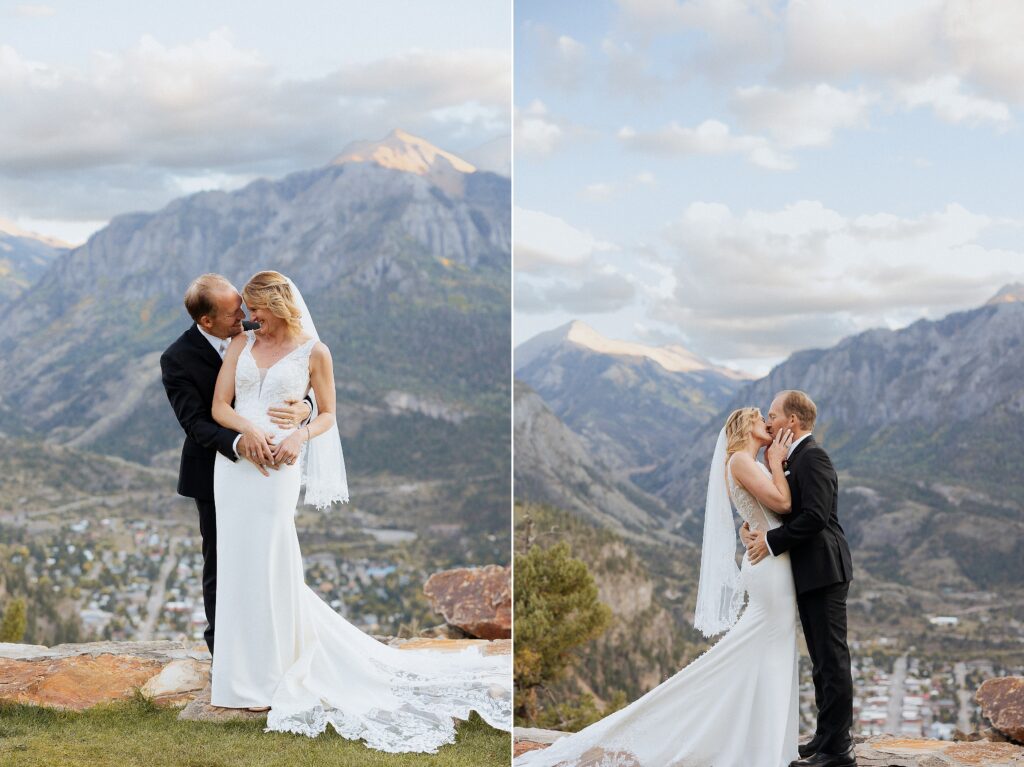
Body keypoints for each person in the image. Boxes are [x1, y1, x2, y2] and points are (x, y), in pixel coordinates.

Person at [208, 270, 511, 752]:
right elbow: (220, 407)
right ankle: (235, 677)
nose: (249, 317)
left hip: (281, 465)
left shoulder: (315, 352)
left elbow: (329, 414)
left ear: (277, 305)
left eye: (256, 308)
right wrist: (249, 433)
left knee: (271, 557)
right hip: (237, 466)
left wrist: (298, 434)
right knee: (236, 562)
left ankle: (274, 670)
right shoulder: (240, 345)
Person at [514, 407, 800, 767]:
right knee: (762, 648)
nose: (768, 423)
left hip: (771, 561)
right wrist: (776, 462)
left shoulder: (747, 462)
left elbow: (762, 513)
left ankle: (759, 740)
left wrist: (759, 505)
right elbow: (784, 504)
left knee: (766, 650)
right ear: (746, 426)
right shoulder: (742, 461)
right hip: (770, 568)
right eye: (760, 417)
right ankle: (755, 745)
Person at [160, 273, 312, 656]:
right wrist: (240, 442)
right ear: (206, 320)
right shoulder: (177, 358)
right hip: (215, 471)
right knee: (221, 562)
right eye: (233, 313)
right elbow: (195, 423)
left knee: (266, 555)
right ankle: (223, 653)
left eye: (242, 308)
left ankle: (270, 645)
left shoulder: (254, 329)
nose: (243, 317)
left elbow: (294, 377)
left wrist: (305, 409)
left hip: (269, 471)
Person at [742, 390, 855, 767]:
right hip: (809, 572)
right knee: (821, 661)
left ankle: (839, 750)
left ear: (792, 420)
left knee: (833, 660)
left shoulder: (812, 456)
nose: (768, 421)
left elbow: (816, 517)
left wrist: (771, 541)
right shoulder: (794, 457)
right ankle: (826, 735)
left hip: (825, 569)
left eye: (773, 415)